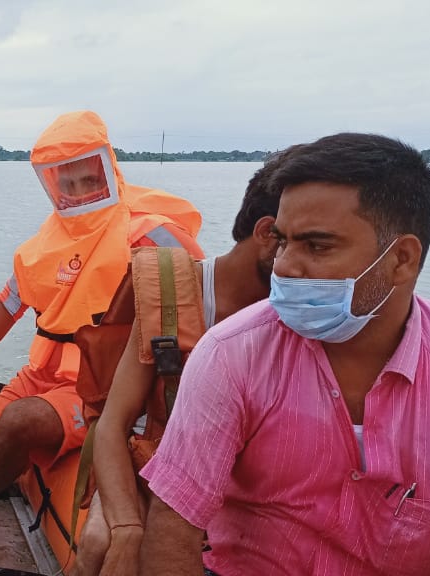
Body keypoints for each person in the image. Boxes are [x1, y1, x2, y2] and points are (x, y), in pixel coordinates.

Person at [139, 133, 430, 575]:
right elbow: (177, 518)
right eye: (284, 241)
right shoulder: (231, 355)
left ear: (401, 259)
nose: (285, 265)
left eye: (317, 246)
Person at [0, 110, 204, 565]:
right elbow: (7, 306)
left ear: (107, 167)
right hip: (42, 371)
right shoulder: (45, 242)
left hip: (104, 386)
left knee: (20, 422)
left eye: (86, 178)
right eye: (63, 183)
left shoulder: (150, 232)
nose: (76, 192)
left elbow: (202, 301)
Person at [69, 149, 294, 576]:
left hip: (242, 486)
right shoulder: (173, 295)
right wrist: (127, 527)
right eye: (305, 244)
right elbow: (114, 423)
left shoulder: (307, 318)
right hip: (156, 463)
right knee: (100, 541)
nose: (313, 270)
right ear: (268, 233)